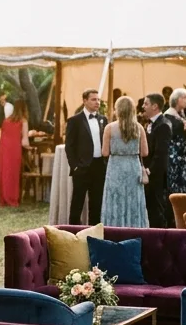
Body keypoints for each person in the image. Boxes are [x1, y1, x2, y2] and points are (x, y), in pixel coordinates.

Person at [101, 96, 149, 227]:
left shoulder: (109, 128)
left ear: (118, 110)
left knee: (115, 199)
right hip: (133, 166)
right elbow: (145, 152)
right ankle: (134, 227)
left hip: (116, 166)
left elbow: (104, 152)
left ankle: (114, 227)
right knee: (133, 199)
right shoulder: (139, 128)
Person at [64, 88, 107, 225]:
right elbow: (69, 146)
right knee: (77, 202)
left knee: (97, 202)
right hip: (82, 167)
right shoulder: (74, 120)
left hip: (99, 166)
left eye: (98, 99)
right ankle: (73, 231)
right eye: (94, 99)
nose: (97, 102)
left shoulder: (103, 119)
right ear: (84, 101)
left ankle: (95, 231)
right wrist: (75, 166)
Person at [142, 93, 171, 227]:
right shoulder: (149, 123)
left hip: (156, 175)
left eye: (146, 104)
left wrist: (150, 170)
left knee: (156, 209)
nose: (143, 106)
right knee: (150, 208)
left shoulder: (163, 125)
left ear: (155, 106)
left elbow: (161, 153)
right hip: (149, 174)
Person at [0, 99, 30, 208]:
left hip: (4, 149)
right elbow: (25, 141)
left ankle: (4, 199)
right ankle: (12, 198)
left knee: (4, 172)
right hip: (15, 149)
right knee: (13, 174)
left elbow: (1, 137)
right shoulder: (23, 121)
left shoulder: (6, 120)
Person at [164, 88, 186, 214]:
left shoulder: (181, 114)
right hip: (174, 155)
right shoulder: (169, 115)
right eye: (185, 98)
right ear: (178, 99)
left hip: (181, 156)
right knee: (174, 186)